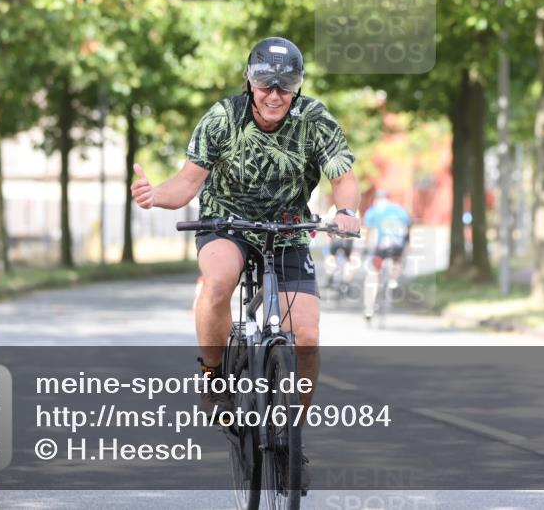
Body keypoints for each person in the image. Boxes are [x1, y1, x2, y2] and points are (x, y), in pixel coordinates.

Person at [130, 37, 360, 485]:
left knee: (307, 335)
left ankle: (292, 438)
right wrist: (157, 196)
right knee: (217, 283)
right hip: (226, 223)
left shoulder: (314, 119)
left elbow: (343, 176)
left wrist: (347, 211)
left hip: (289, 229)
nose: (274, 95)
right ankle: (215, 376)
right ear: (249, 82)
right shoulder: (222, 118)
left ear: (297, 87)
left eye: (285, 85)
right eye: (264, 84)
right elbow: (187, 181)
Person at [362, 189, 412, 320]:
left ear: (376, 199)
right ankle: (393, 279)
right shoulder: (399, 210)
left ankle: (369, 308)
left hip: (382, 246)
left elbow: (369, 232)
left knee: (372, 273)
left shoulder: (373, 211)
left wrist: (366, 248)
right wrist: (408, 244)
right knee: (398, 260)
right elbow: (408, 227)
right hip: (398, 245)